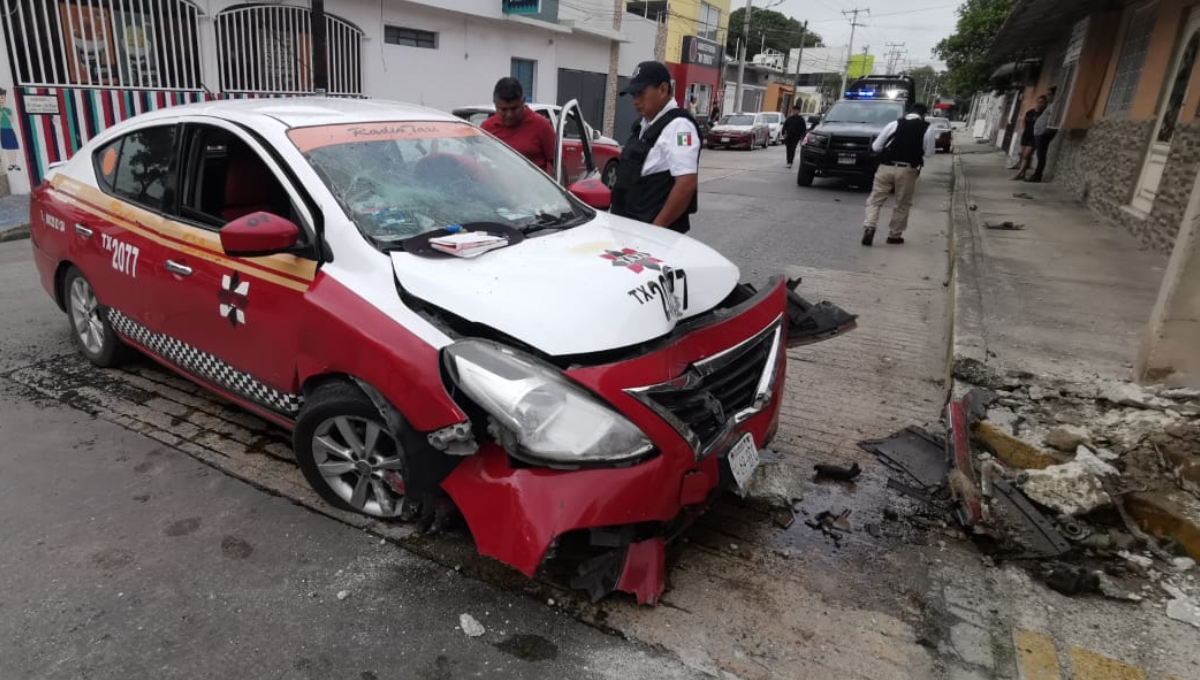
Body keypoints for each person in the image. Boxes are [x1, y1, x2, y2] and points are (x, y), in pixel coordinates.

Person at [610, 61, 702, 233]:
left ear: (663, 89)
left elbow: (686, 184)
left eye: (641, 93)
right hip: (629, 230)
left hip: (652, 237)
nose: (636, 101)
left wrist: (657, 229)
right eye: (633, 95)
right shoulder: (644, 125)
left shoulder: (680, 128)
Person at [860, 102, 937, 246]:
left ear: (908, 112)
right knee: (902, 203)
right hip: (907, 170)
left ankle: (870, 226)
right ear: (923, 115)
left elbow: (876, 147)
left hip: (885, 168)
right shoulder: (927, 128)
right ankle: (894, 235)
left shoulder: (894, 124)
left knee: (875, 200)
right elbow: (929, 153)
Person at [481, 77, 556, 175]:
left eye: (514, 108)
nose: (509, 115)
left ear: (523, 101)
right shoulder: (486, 128)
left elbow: (558, 166)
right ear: (495, 105)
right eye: (503, 110)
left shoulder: (541, 126)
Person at [1011, 94, 1047, 181]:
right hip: (1026, 135)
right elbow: (1024, 120)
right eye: (1038, 102)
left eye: (1042, 103)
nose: (1039, 104)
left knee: (1026, 156)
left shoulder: (1043, 114)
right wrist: (1023, 129)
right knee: (1024, 155)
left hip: (1034, 137)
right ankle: (1023, 174)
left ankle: (1018, 174)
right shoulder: (1030, 112)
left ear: (1045, 104)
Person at [1027, 87, 1058, 183]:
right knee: (1039, 155)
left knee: (1041, 155)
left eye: (1049, 94)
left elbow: (1053, 119)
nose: (1047, 97)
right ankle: (1036, 175)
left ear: (1054, 95)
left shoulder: (1055, 106)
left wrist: (1045, 131)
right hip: (1039, 133)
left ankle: (1037, 175)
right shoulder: (1050, 105)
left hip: (1043, 134)